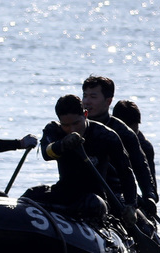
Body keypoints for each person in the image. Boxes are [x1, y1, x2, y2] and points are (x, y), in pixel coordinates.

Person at [21, 94, 137, 224]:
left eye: (76, 123)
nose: (72, 130)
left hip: (93, 197)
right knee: (31, 195)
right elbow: (46, 153)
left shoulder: (105, 135)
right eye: (66, 125)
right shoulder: (53, 130)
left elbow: (125, 172)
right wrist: (62, 144)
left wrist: (131, 205)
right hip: (64, 192)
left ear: (85, 114)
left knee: (94, 204)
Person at [82, 76, 158, 214]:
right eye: (85, 96)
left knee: (144, 227)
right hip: (77, 191)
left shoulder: (123, 132)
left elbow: (140, 167)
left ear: (108, 101)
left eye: (93, 97)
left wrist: (149, 196)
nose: (87, 102)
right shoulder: (72, 127)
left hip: (115, 194)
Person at [112, 99, 157, 185]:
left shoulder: (144, 146)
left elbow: (150, 181)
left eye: (135, 126)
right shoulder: (105, 137)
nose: (130, 134)